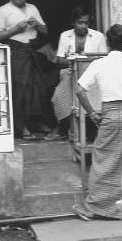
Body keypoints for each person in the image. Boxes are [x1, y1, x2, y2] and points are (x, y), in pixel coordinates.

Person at [71, 24, 122, 220]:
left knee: (103, 161)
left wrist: (91, 113)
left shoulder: (99, 64)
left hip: (110, 116)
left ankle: (95, 207)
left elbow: (79, 90)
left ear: (107, 42)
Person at [0, 0, 51, 140]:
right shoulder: (4, 10)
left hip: (32, 49)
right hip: (16, 51)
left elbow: (45, 30)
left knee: (38, 87)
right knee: (20, 89)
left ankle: (36, 124)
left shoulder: (33, 8)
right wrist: (16, 29)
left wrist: (36, 24)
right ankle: (21, 127)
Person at [46, 8, 108, 141]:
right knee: (59, 95)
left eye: (86, 23)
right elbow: (59, 60)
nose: (83, 26)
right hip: (70, 72)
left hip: (92, 74)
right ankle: (72, 127)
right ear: (73, 23)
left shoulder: (98, 36)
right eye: (80, 23)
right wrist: (77, 60)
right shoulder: (65, 36)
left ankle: (81, 128)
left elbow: (103, 59)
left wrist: (82, 60)